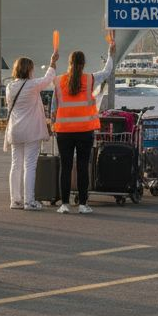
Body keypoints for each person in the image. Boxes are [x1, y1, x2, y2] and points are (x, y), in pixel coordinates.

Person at [53, 32, 116, 215]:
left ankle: (64, 203)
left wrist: (52, 61)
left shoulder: (59, 81)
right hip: (84, 131)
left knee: (65, 167)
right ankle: (82, 204)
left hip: (64, 131)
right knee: (82, 167)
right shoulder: (89, 79)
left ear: (69, 63)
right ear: (83, 64)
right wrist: (110, 53)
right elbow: (107, 72)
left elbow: (54, 105)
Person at [4, 51, 58, 210]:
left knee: (16, 165)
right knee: (29, 166)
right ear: (28, 70)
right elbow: (48, 78)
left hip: (15, 131)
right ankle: (29, 201)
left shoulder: (10, 87)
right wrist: (52, 61)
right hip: (31, 131)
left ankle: (15, 200)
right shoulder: (32, 85)